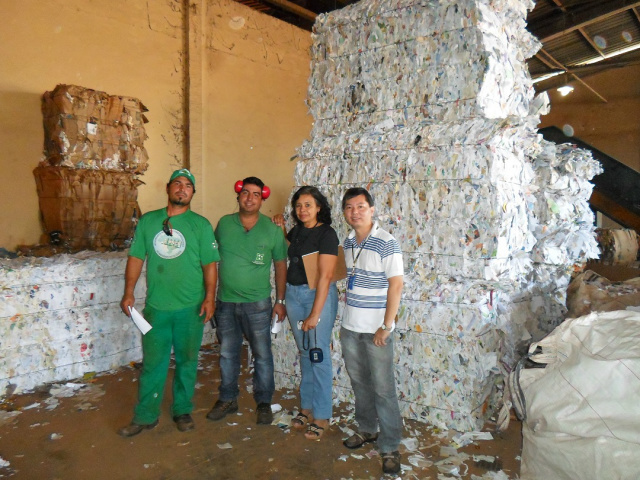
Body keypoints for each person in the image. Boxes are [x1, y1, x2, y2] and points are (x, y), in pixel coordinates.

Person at [118, 168, 220, 437]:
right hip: (156, 309)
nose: (182, 189)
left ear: (192, 193)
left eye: (188, 185)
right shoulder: (149, 222)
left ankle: (182, 410)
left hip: (191, 308)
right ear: (168, 188)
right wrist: (129, 291)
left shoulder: (201, 225)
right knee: (153, 363)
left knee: (188, 361)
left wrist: (210, 298)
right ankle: (145, 415)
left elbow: (210, 265)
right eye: (177, 184)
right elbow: (136, 259)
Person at [207, 176, 287, 425]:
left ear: (263, 198)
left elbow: (281, 265)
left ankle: (263, 402)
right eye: (246, 193)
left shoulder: (272, 229)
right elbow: (209, 259)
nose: (250, 198)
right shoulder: (224, 225)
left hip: (258, 304)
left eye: (256, 194)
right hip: (226, 303)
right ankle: (228, 399)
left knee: (262, 354)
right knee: (228, 353)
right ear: (238, 196)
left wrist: (280, 300)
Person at [339, 187, 404, 475]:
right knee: (360, 384)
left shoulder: (387, 242)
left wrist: (386, 326)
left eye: (361, 206)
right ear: (344, 213)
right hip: (350, 327)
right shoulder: (349, 241)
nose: (355, 212)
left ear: (372, 209)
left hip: (376, 330)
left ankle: (390, 447)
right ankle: (367, 430)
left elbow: (396, 285)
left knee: (383, 390)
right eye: (350, 207)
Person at [272, 186, 339, 440]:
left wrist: (315, 313)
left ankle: (322, 415)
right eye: (299, 205)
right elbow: (294, 251)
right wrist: (281, 231)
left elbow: (326, 276)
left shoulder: (327, 234)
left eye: (308, 205)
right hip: (293, 293)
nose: (303, 210)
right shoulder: (298, 231)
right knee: (305, 353)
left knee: (318, 353)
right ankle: (307, 408)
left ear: (319, 207)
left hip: (316, 295)